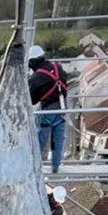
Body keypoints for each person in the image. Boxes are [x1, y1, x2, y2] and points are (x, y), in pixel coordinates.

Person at [27, 44, 68, 174]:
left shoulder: (35, 78)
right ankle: (55, 166)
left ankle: (34, 166)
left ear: (32, 62)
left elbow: (32, 100)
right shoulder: (58, 68)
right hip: (62, 108)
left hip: (47, 111)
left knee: (39, 139)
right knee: (58, 139)